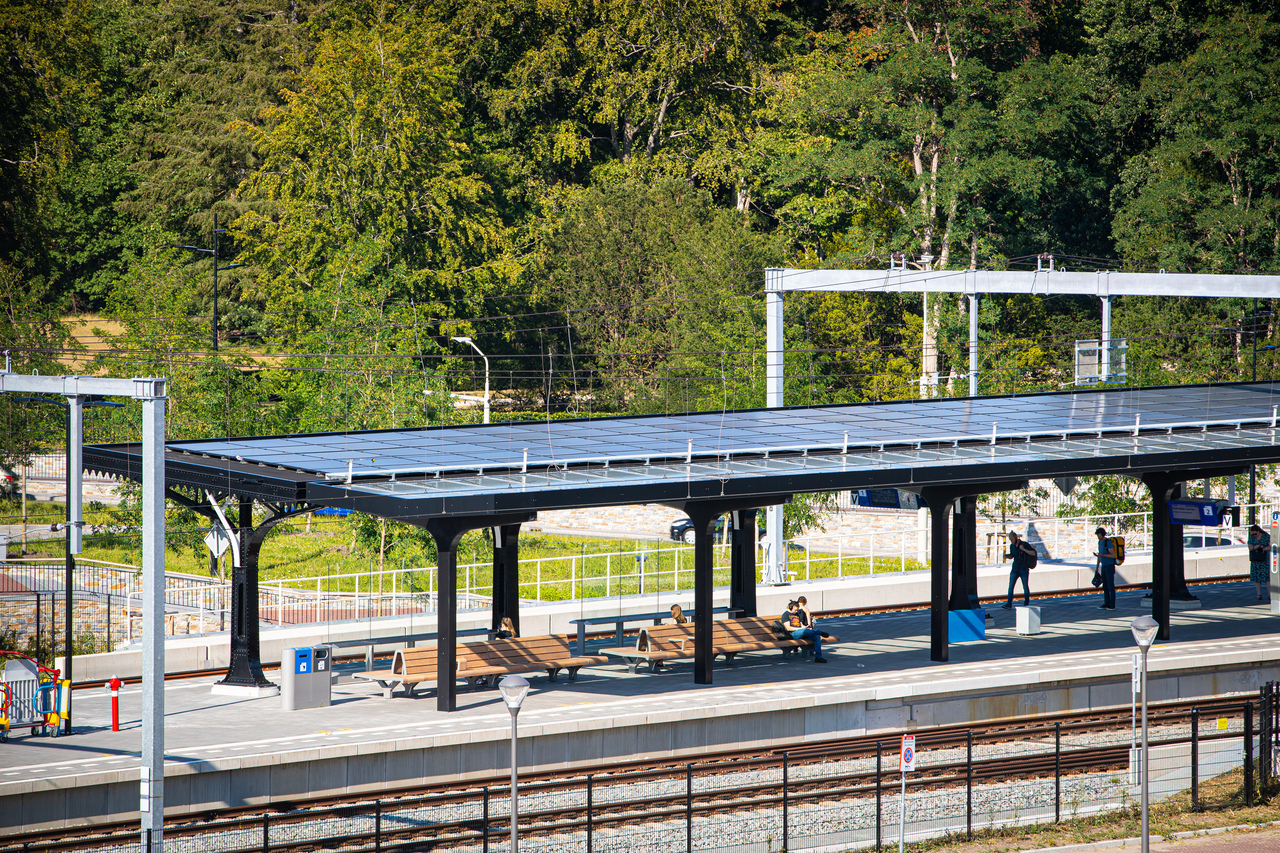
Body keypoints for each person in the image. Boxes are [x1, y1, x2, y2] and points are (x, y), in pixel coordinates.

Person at [1002, 531, 1035, 610]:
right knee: (1011, 586)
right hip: (1015, 568)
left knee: (1025, 587)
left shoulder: (1024, 544)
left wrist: (1024, 549)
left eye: (1012, 539)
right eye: (1010, 540)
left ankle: (1026, 603)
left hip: (1023, 568)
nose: (1011, 541)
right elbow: (1013, 555)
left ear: (1016, 537)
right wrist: (1008, 556)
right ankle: (1009, 604)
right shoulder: (1011, 546)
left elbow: (1033, 553)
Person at [1094, 527, 1117, 611]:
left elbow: (1112, 555)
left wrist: (1102, 555)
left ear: (1102, 534)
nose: (1098, 536)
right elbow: (1099, 556)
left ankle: (1112, 604)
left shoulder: (1108, 542)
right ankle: (1106, 603)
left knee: (1110, 585)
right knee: (1105, 586)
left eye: (1099, 535)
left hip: (1109, 565)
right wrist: (1097, 567)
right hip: (1103, 566)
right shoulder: (1099, 542)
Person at [1248, 523, 1271, 601]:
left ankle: (1270, 594)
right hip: (1256, 560)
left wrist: (1263, 548)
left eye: (1255, 533)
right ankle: (1259, 594)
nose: (1254, 535)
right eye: (1253, 534)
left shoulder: (1266, 536)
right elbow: (1250, 547)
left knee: (1267, 578)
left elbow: (1271, 545)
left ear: (1259, 531)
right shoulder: (1251, 538)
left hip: (1264, 559)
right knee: (1257, 578)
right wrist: (1257, 546)